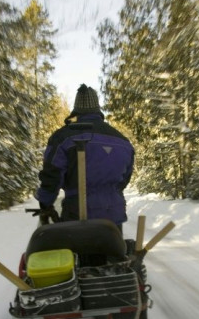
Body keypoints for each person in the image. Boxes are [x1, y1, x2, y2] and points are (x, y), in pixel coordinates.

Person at [35, 84, 134, 230]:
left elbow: (52, 176)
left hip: (77, 216)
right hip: (113, 219)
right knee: (113, 252)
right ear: (97, 108)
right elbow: (124, 179)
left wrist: (45, 203)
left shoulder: (64, 137)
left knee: (71, 252)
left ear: (76, 110)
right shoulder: (123, 141)